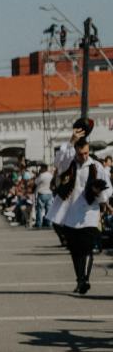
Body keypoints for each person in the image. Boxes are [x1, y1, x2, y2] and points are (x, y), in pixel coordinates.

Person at [50, 121, 110, 294]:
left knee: (88, 247)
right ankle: (80, 280)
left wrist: (102, 195)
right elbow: (59, 162)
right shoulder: (69, 165)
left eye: (86, 153)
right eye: (80, 153)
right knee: (75, 250)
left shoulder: (96, 166)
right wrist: (71, 141)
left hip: (89, 212)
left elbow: (108, 187)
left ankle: (85, 280)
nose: (83, 156)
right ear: (75, 151)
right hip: (70, 213)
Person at [33, 163, 54, 229]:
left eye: (41, 168)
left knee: (39, 209)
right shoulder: (50, 175)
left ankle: (39, 223)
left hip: (42, 193)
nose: (40, 169)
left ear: (43, 168)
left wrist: (38, 175)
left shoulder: (41, 175)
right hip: (49, 193)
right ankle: (49, 223)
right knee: (49, 209)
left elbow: (36, 182)